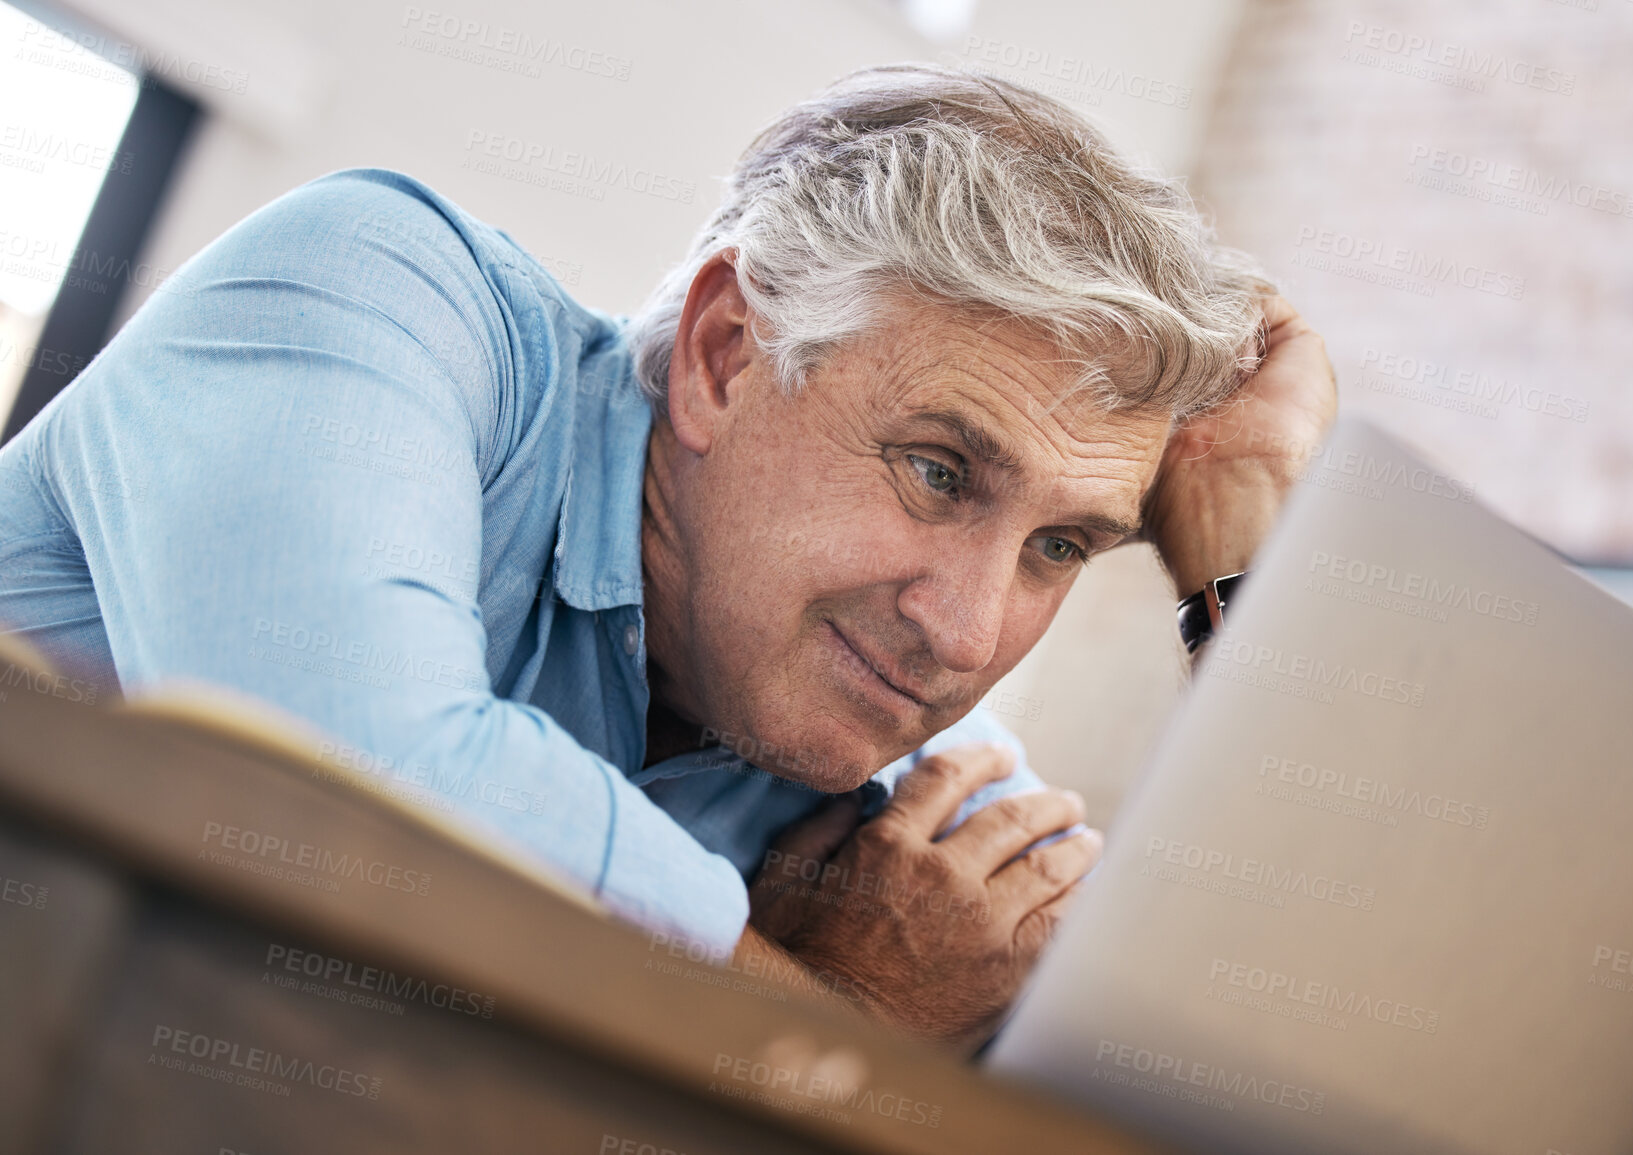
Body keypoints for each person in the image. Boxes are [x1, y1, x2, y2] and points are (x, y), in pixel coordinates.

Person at [0, 64, 1335, 1050]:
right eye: (939, 473)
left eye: (1059, 547)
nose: (970, 633)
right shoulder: (375, 283)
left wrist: (1245, 552)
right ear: (723, 357)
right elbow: (350, 780)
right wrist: (841, 1022)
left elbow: (1269, 1068)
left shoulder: (913, 819)